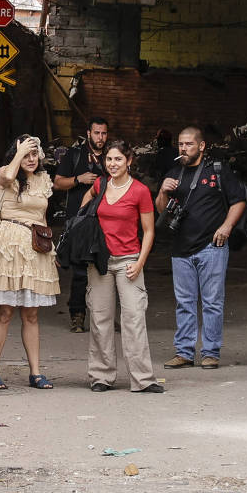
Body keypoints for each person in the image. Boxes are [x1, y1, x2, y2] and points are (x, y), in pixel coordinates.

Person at [157, 124, 247, 369]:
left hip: (212, 246)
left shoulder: (217, 170)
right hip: (180, 248)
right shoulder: (174, 172)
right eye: (180, 144)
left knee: (212, 301)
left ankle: (211, 352)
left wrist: (227, 227)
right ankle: (184, 352)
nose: (184, 148)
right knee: (184, 302)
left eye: (189, 144)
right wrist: (163, 191)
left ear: (201, 146)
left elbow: (238, 201)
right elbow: (161, 210)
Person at [0, 137, 59, 390]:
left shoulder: (44, 180)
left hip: (35, 247)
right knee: (4, 311)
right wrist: (19, 153)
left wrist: (49, 250)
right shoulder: (6, 173)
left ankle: (35, 372)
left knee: (31, 314)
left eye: (34, 154)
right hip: (8, 244)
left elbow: (43, 215)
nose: (31, 159)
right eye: (26, 154)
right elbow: (9, 175)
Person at [82, 139, 160, 392]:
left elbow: (148, 231)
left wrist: (140, 262)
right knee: (100, 319)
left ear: (129, 161)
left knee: (134, 319)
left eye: (117, 159)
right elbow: (87, 201)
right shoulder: (99, 184)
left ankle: (143, 379)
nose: (112, 164)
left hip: (129, 260)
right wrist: (83, 219)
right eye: (108, 159)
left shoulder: (139, 191)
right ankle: (101, 377)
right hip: (100, 262)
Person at [51, 118, 111, 333]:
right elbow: (57, 183)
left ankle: (104, 316)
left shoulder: (110, 157)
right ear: (89, 133)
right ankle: (77, 315)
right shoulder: (74, 155)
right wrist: (79, 179)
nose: (100, 138)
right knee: (79, 272)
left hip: (106, 220)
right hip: (79, 220)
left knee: (106, 269)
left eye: (104, 133)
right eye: (97, 133)